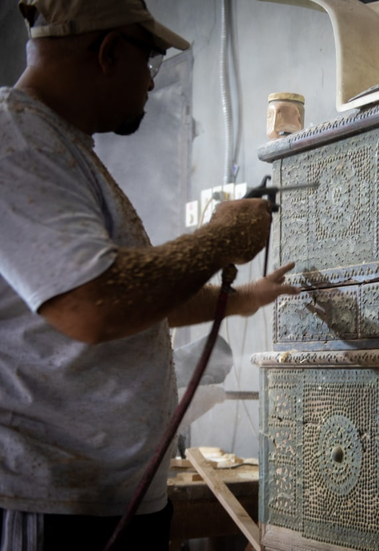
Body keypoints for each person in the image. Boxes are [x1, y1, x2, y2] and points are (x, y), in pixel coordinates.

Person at [0, 1, 299, 549]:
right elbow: (94, 304)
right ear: (110, 51)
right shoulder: (15, 138)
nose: (151, 82)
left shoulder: (61, 147)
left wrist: (244, 297)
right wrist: (220, 237)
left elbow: (135, 297)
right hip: (53, 502)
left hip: (113, 497)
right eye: (151, 60)